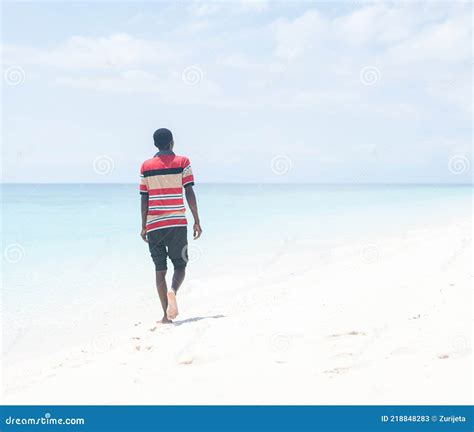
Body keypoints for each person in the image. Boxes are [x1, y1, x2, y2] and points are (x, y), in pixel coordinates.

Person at [139, 128, 202, 323]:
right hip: (177, 223)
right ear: (172, 142)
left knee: (160, 270)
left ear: (155, 144)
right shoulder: (183, 162)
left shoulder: (146, 166)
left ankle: (166, 316)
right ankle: (173, 290)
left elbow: (144, 199)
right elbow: (189, 192)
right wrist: (197, 220)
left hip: (154, 224)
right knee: (180, 265)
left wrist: (143, 226)